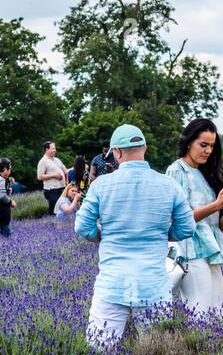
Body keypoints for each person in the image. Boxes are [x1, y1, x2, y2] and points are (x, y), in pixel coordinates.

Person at [75, 124, 196, 343]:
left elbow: (83, 227)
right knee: (158, 354)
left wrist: (102, 235)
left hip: (112, 283)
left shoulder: (101, 185)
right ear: (145, 148)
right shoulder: (168, 185)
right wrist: (163, 234)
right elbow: (187, 227)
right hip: (154, 284)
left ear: (117, 152)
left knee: (101, 350)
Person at [166, 118, 223, 322]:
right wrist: (217, 205)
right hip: (190, 251)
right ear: (188, 142)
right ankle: (197, 352)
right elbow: (178, 219)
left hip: (211, 249)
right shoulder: (177, 171)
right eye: (203, 145)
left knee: (218, 312)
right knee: (200, 313)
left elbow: (216, 226)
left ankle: (215, 352)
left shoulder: (205, 174)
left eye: (211, 146)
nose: (208, 151)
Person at [37, 141, 68, 214]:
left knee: (62, 211)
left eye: (55, 148)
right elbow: (39, 177)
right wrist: (54, 175)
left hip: (62, 188)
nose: (55, 150)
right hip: (51, 190)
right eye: (53, 148)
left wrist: (67, 179)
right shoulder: (43, 161)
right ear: (47, 149)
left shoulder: (57, 160)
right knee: (54, 212)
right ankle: (51, 223)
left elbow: (66, 171)